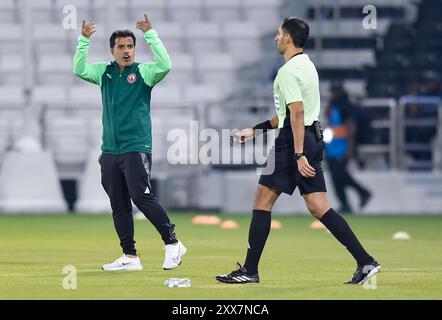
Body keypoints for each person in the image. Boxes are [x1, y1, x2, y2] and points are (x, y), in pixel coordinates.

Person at [216, 17, 380, 285]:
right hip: (310, 137)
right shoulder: (307, 66)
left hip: (294, 141)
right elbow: (288, 114)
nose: (275, 38)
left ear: (287, 38)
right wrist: (255, 129)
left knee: (262, 200)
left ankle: (249, 271)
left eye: (278, 34)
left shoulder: (287, 72)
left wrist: (297, 153)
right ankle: (365, 262)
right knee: (318, 206)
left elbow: (296, 113)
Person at [73, 15, 186, 271]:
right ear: (112, 51)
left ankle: (173, 242)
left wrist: (151, 35)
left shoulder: (144, 72)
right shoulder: (105, 72)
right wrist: (83, 41)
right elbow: (79, 69)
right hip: (110, 149)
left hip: (136, 146)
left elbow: (166, 65)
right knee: (118, 204)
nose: (126, 51)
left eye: (130, 46)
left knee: (141, 196)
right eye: (121, 47)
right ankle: (130, 256)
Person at [325, 83, 372, 214]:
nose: (333, 94)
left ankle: (363, 192)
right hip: (332, 147)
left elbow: (351, 128)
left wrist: (350, 149)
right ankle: (345, 204)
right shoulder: (334, 105)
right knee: (336, 177)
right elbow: (330, 120)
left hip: (342, 147)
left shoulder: (345, 106)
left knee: (340, 174)